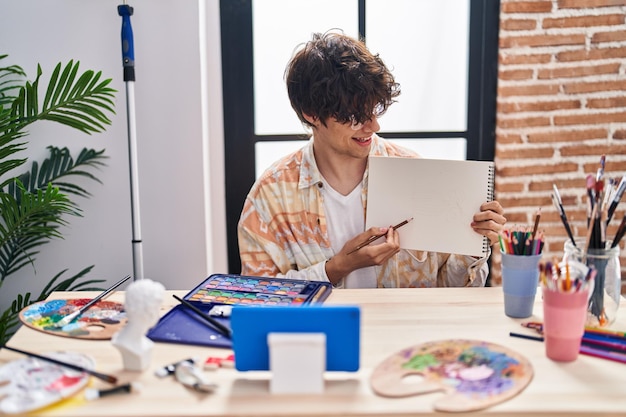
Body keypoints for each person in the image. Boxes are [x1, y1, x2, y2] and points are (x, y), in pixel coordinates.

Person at [237, 30, 506, 288]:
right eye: (355, 117)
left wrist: (474, 244)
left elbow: (453, 289)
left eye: (375, 109)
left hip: (404, 333)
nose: (373, 126)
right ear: (311, 114)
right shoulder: (270, 196)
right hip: (322, 335)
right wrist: (335, 268)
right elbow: (258, 298)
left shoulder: (416, 173)